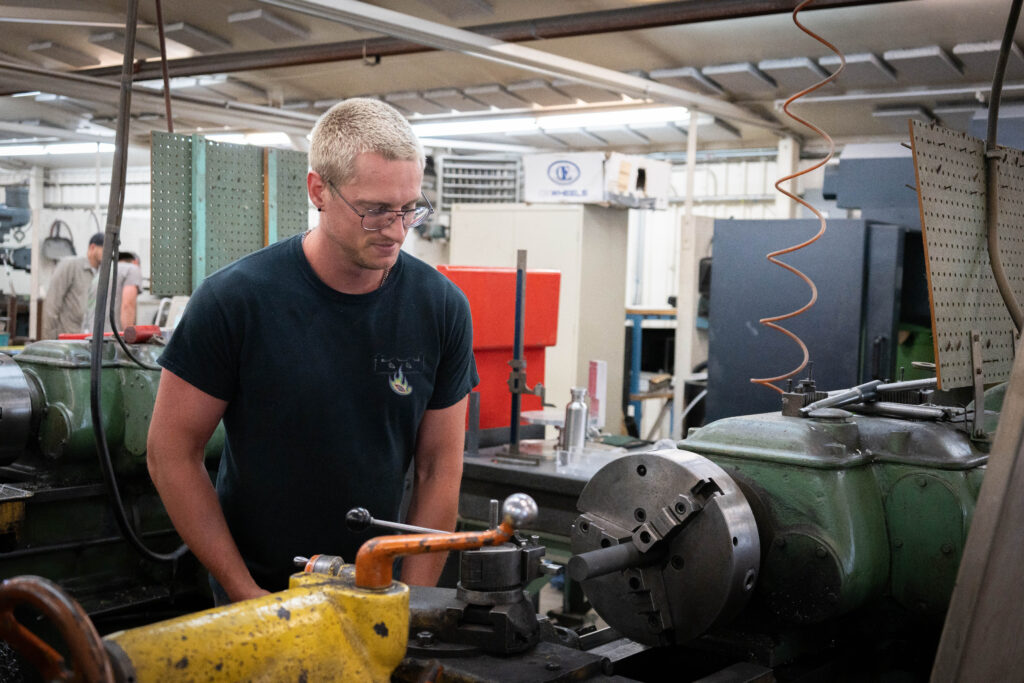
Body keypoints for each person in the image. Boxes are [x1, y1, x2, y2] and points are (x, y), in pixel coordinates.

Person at [147, 98, 478, 603]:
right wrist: (242, 590)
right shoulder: (235, 301)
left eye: (409, 208)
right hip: (256, 589)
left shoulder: (441, 308)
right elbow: (170, 452)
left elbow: (439, 468)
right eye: (373, 210)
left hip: (377, 591)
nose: (395, 229)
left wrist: (414, 603)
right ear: (319, 190)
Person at [41, 232, 103, 339]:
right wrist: (49, 341)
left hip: (89, 341)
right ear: (92, 247)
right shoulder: (70, 265)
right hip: (67, 339)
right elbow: (52, 305)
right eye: (105, 249)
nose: (109, 255)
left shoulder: (102, 275)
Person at [82, 251, 142, 334]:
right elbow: (127, 306)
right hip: (113, 339)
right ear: (135, 262)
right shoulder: (132, 269)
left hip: (92, 337)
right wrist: (130, 337)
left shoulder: (101, 273)